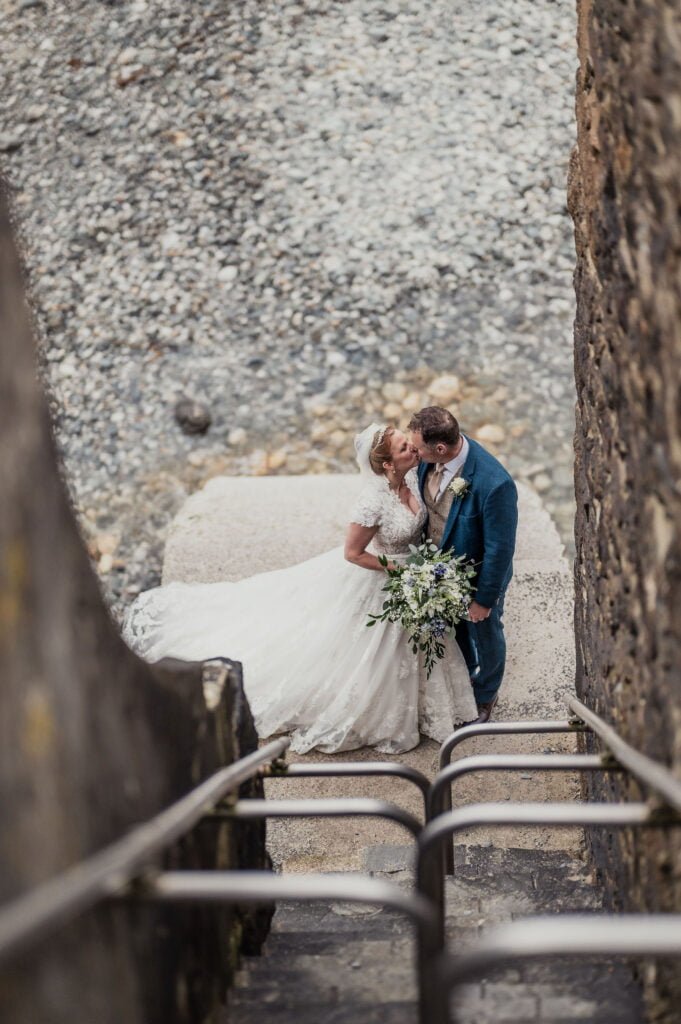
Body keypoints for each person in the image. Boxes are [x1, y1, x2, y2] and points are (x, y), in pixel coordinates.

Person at [123, 423, 477, 753]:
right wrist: (399, 571)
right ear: (386, 464)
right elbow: (352, 553)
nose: (413, 449)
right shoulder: (371, 501)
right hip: (381, 576)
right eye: (404, 448)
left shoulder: (414, 475)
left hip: (411, 573)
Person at [408, 406, 518, 724]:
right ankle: (465, 676)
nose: (414, 453)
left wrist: (484, 599)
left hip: (477, 575)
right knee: (454, 631)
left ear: (440, 449)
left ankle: (486, 695)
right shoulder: (427, 463)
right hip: (440, 571)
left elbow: (500, 549)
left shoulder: (494, 483)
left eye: (418, 449)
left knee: (486, 633)